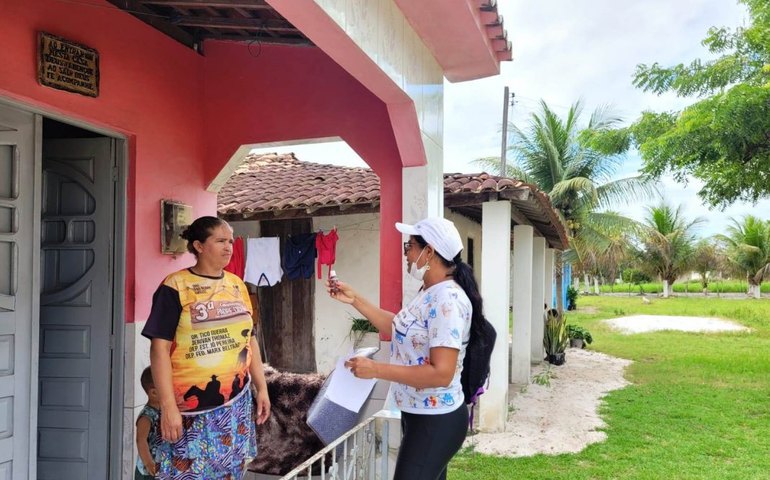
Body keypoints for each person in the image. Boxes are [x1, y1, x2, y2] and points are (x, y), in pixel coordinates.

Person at [328, 217, 485, 480]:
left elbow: (441, 373)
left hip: (436, 420)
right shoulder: (429, 291)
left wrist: (376, 369)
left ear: (430, 251)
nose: (406, 254)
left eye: (409, 246)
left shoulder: (448, 300)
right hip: (420, 414)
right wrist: (355, 300)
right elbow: (400, 326)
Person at [142, 216, 271, 479]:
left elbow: (250, 339)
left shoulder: (236, 285)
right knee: (186, 471)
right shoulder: (175, 286)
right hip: (190, 409)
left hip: (234, 403)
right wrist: (168, 407)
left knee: (229, 471)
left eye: (231, 241)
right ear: (199, 246)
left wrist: (262, 387)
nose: (229, 247)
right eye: (220, 241)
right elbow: (159, 349)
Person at [135, 366, 161, 479]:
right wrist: (148, 463)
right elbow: (141, 440)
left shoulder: (163, 411)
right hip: (148, 472)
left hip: (160, 466)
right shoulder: (146, 416)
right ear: (154, 392)